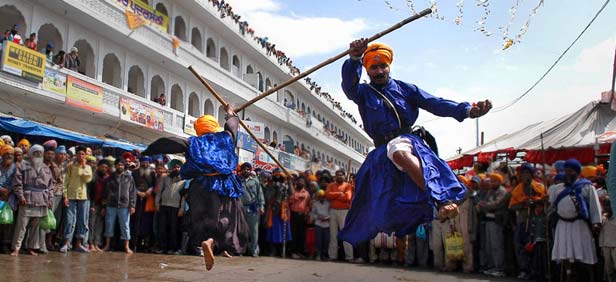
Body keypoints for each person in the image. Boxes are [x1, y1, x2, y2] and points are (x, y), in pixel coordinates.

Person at [339, 39, 492, 246]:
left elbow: (435, 103)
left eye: (383, 65)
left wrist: (468, 110)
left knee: (399, 152)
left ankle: (442, 201)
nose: (379, 71)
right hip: (380, 152)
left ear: (389, 66)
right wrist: (354, 58)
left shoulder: (405, 89)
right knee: (375, 200)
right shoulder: (363, 93)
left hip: (405, 141)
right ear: (367, 71)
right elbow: (349, 86)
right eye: (373, 67)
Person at [143, 104, 248, 271]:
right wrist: (229, 113)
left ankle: (206, 242)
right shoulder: (225, 137)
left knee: (201, 218)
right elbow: (232, 126)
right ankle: (212, 242)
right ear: (214, 127)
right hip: (223, 185)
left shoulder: (193, 142)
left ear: (199, 129)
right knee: (228, 217)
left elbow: (173, 143)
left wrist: (150, 150)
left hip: (200, 185)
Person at [549, 159, 602, 281]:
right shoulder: (557, 189)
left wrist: (596, 223)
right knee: (566, 254)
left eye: (570, 171)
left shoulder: (587, 187)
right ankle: (568, 277)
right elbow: (551, 208)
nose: (567, 173)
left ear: (577, 172)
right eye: (566, 171)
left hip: (580, 225)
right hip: (563, 226)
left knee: (583, 253)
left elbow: (594, 206)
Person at [11, 145, 53, 256]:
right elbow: (17, 183)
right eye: (36, 152)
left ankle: (31, 248)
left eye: (40, 152)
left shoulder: (46, 168)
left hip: (41, 200)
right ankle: (16, 248)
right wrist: (21, 196)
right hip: (27, 199)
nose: (38, 154)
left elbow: (50, 187)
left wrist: (50, 199)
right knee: (22, 226)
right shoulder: (23, 165)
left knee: (35, 227)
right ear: (31, 153)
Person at [60, 146, 93, 253]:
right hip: (71, 196)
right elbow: (65, 181)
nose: (81, 156)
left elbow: (88, 179)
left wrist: (83, 166)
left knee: (82, 220)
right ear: (76, 155)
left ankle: (78, 244)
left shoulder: (87, 167)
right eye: (79, 153)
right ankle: (66, 243)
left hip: (83, 197)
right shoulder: (70, 166)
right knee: (69, 220)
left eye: (83, 154)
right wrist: (65, 196)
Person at [101, 159, 136, 254]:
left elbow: (132, 192)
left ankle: (126, 246)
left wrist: (132, 205)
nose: (120, 166)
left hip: (124, 205)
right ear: (115, 166)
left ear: (124, 166)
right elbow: (105, 193)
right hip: (111, 205)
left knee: (125, 226)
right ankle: (107, 245)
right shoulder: (109, 178)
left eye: (121, 165)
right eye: (118, 165)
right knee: (109, 225)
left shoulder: (129, 178)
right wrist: (103, 206)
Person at [239, 162, 264, 257]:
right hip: (240, 208)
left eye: (248, 169)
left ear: (250, 170)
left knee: (254, 231)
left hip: (253, 208)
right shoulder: (238, 181)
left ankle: (254, 250)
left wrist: (261, 206)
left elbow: (260, 194)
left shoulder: (255, 181)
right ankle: (240, 250)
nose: (246, 171)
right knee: (241, 230)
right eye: (244, 169)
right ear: (241, 171)